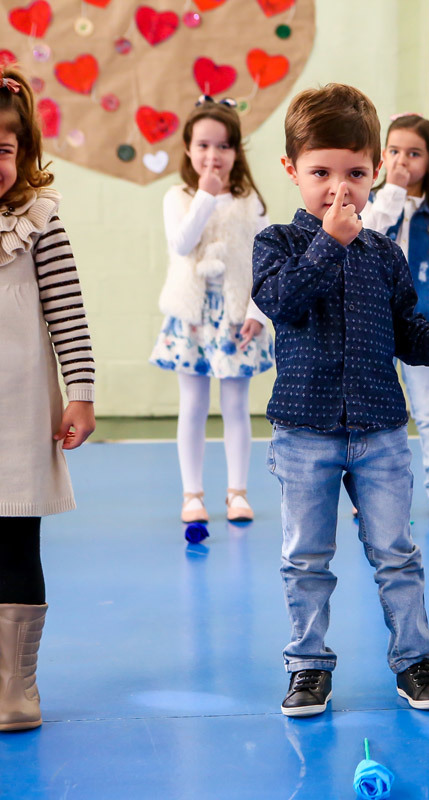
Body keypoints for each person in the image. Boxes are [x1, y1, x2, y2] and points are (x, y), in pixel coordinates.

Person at [252, 83, 429, 716]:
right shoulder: (277, 243)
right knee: (306, 557)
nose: (339, 189)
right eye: (321, 173)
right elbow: (282, 302)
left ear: (376, 170)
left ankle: (415, 660)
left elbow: (407, 331)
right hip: (304, 432)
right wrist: (330, 241)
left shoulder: (384, 254)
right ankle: (307, 665)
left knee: (397, 554)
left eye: (354, 174)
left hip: (380, 431)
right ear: (292, 170)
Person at [0, 67, 96, 732]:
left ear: (23, 153)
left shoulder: (39, 223)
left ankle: (15, 688)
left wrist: (80, 395)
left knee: (15, 547)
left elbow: (68, 315)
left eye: (3, 150)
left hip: (18, 419)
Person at [150, 97, 274, 524]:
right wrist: (205, 195)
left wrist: (258, 312)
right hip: (192, 315)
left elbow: (265, 264)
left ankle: (237, 492)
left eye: (223, 146)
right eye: (203, 145)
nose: (212, 155)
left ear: (236, 151)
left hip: (236, 315)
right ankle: (192, 495)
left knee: (236, 405)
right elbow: (182, 244)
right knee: (193, 404)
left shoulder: (251, 201)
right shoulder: (178, 197)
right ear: (188, 148)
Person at [361, 114, 429, 519]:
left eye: (414, 153)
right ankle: (370, 491)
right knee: (374, 413)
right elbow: (367, 234)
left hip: (422, 329)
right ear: (382, 156)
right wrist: (393, 191)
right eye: (394, 151)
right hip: (373, 327)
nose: (403, 160)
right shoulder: (373, 204)